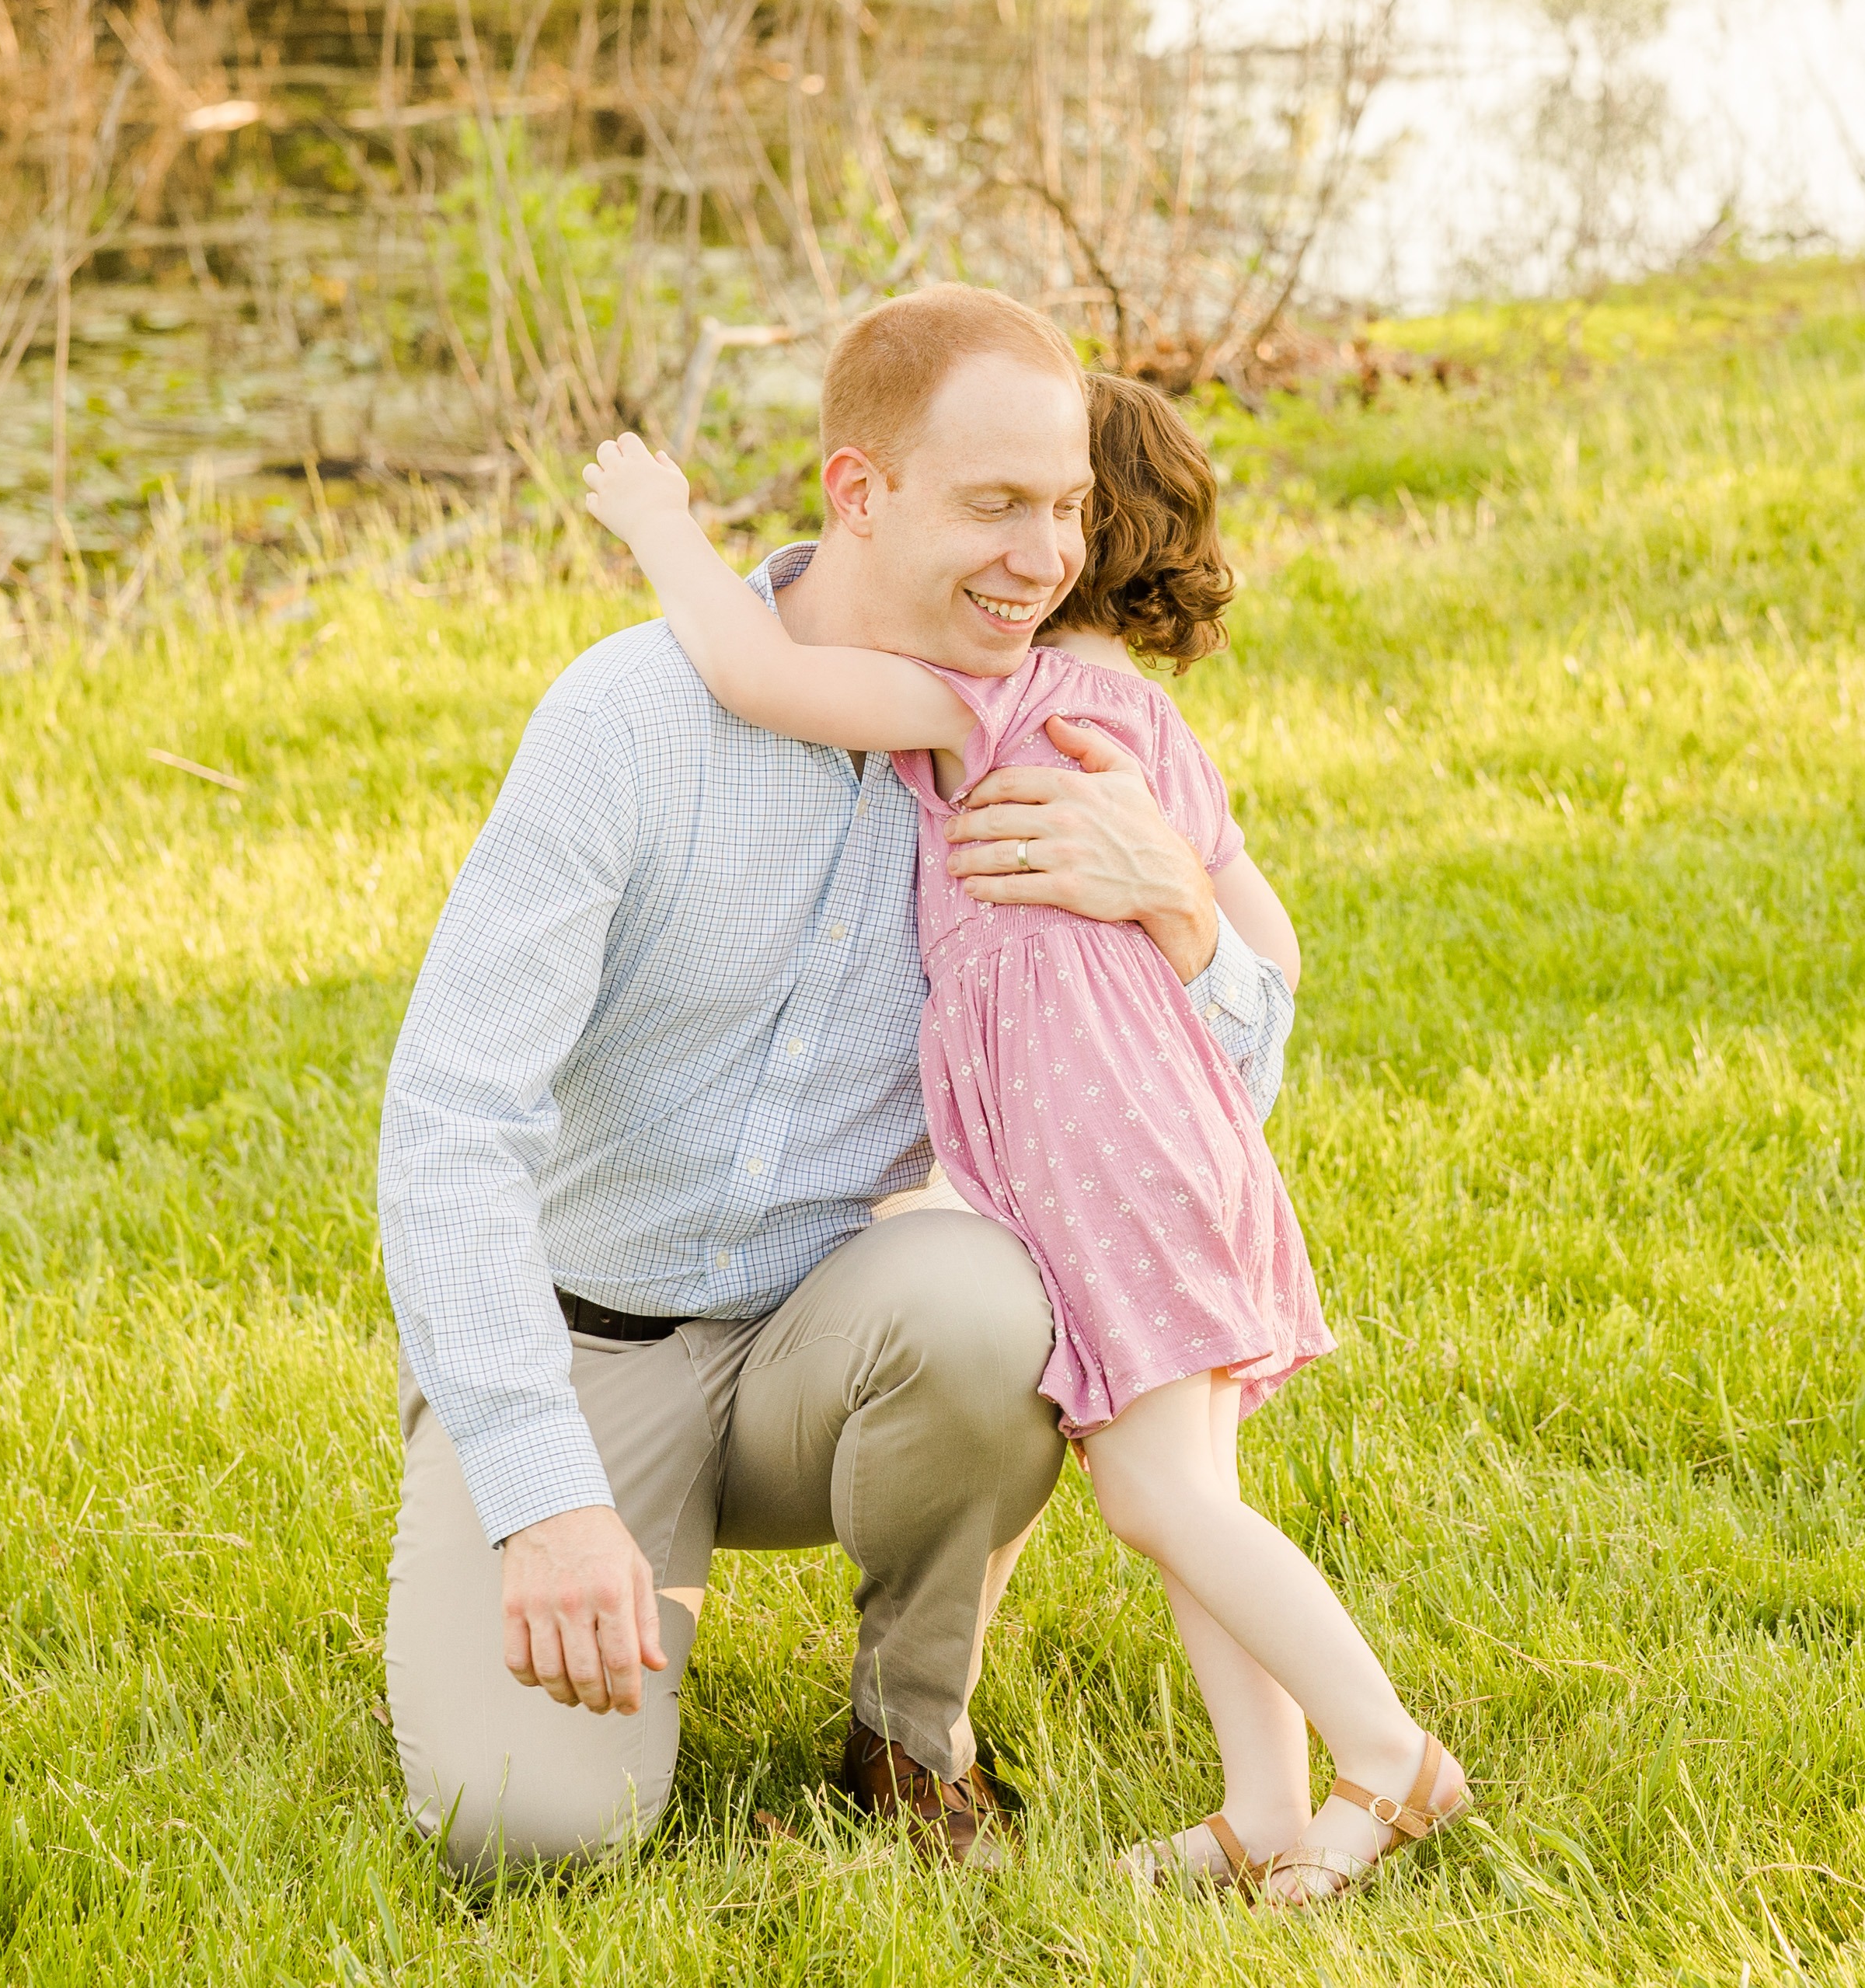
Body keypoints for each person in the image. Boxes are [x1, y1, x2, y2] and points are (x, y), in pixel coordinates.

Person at [378, 284, 1299, 1871]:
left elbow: (1216, 1087)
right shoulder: (625, 720)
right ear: (857, 494)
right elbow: (449, 1125)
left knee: (988, 1295)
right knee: (525, 1832)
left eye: (1067, 508)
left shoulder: (1045, 753)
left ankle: (907, 1729)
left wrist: (1176, 905)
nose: (1044, 557)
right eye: (995, 505)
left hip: (839, 1341)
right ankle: (548, 1541)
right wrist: (538, 1491)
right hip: (579, 1346)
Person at [580, 375, 1469, 1906]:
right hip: (1155, 1154)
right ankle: (1259, 1806)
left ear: (1069, 544)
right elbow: (1268, 961)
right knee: (1190, 1498)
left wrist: (661, 526)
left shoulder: (1004, 695)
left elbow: (750, 672)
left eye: (1037, 508)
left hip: (1118, 1167)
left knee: (1159, 1499)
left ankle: (1388, 1756)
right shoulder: (1142, 718)